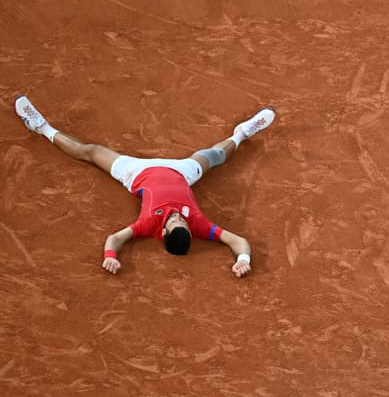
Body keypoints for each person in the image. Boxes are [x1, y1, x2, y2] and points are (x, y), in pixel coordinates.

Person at [14, 95, 275, 278]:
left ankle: (40, 126)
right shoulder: (197, 224)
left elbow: (115, 238)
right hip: (181, 171)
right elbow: (238, 241)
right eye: (181, 222)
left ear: (164, 233)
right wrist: (243, 260)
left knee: (90, 151)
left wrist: (111, 256)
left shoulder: (149, 224)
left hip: (136, 173)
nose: (177, 217)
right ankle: (242, 133)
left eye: (174, 224)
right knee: (216, 155)